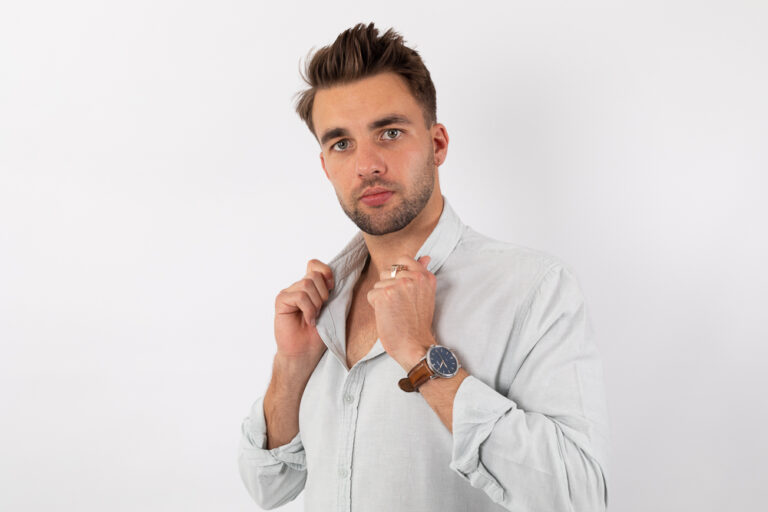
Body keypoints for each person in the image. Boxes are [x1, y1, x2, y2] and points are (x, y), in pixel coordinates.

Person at [238, 22, 609, 512]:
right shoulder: (320, 304)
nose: (367, 164)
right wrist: (291, 367)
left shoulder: (532, 289)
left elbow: (580, 497)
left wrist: (422, 356)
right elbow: (268, 486)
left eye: (390, 133)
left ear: (437, 144)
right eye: (341, 143)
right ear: (326, 165)